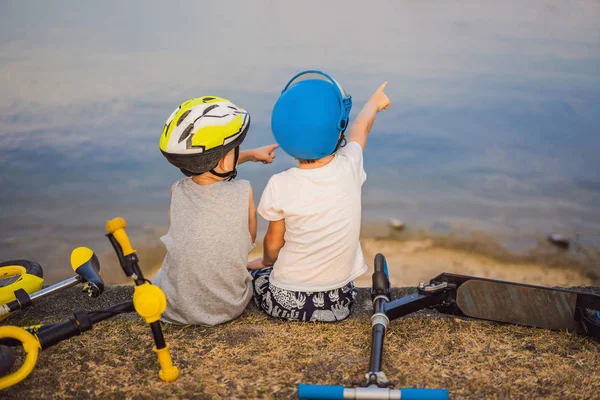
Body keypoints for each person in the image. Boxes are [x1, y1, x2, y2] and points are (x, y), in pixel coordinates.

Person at [248, 71, 390, 322]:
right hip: (338, 303)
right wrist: (374, 103)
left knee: (256, 277)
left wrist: (264, 262)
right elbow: (360, 127)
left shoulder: (279, 184)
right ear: (338, 129)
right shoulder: (350, 164)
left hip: (285, 302)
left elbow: (273, 245)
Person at [154, 96, 278, 326]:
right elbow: (249, 239)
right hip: (230, 306)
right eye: (235, 149)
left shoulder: (176, 191)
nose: (237, 151)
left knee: (160, 275)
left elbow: (212, 170)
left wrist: (249, 155)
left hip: (174, 311)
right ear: (223, 161)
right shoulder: (244, 191)